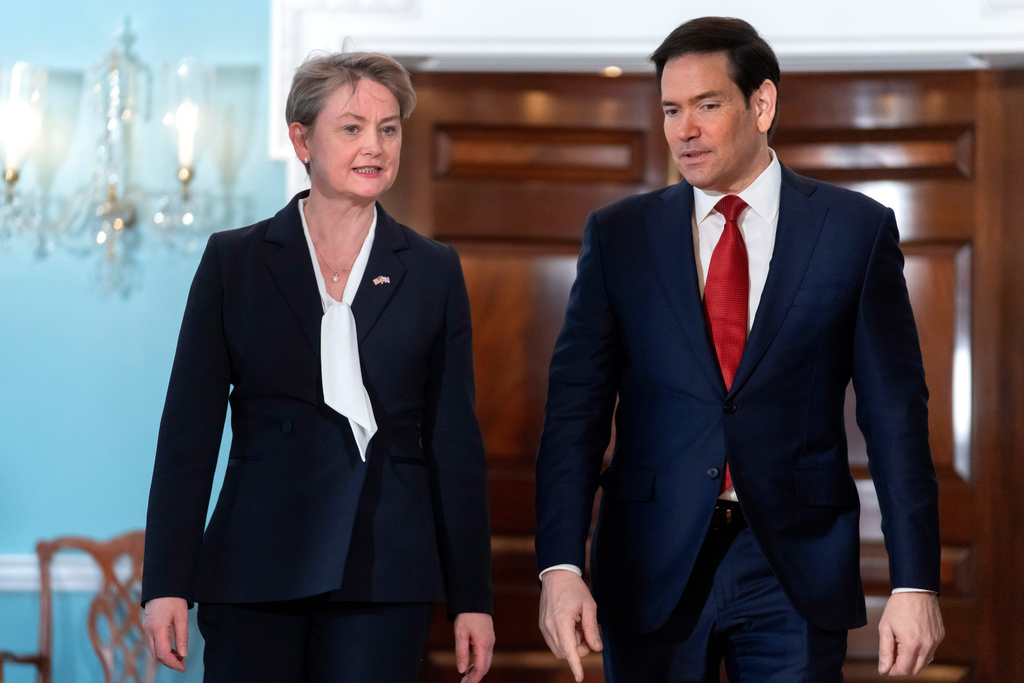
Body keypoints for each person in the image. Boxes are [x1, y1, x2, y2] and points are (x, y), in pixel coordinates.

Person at [535, 16, 944, 683]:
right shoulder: (620, 236)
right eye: (671, 109)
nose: (683, 129)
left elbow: (896, 416)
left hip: (793, 568)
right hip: (647, 561)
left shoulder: (853, 232)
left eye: (706, 105)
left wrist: (915, 581)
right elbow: (573, 416)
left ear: (762, 104)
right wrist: (560, 564)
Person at [141, 51, 494, 683]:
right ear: (301, 139)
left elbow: (454, 444)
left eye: (389, 129)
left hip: (384, 567)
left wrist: (472, 597)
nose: (375, 146)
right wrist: (166, 581)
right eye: (352, 127)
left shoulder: (434, 269)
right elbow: (187, 436)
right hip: (255, 561)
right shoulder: (235, 261)